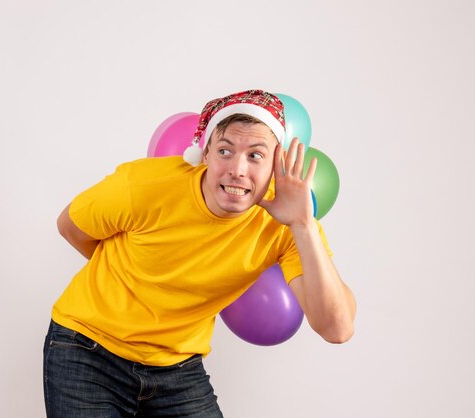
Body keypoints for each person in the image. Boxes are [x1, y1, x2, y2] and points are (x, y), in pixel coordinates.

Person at [43, 89, 356, 417]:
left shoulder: (288, 220)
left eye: (255, 155)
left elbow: (337, 329)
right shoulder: (143, 185)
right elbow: (71, 227)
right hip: (88, 350)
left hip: (177, 367)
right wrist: (131, 281)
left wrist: (304, 225)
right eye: (225, 150)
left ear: (276, 164)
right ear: (204, 153)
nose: (237, 169)